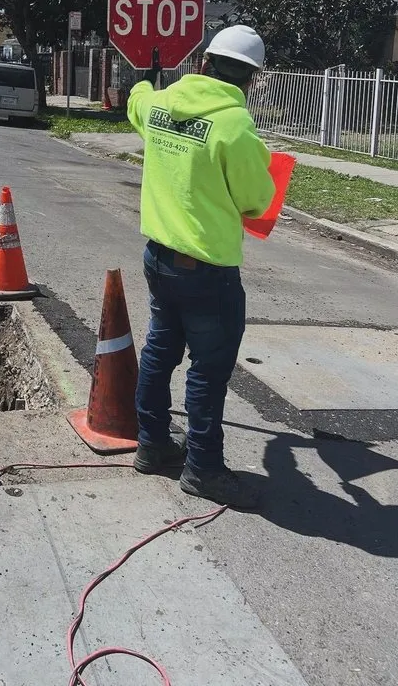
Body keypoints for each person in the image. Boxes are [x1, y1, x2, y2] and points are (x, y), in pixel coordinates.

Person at [127, 26, 275, 509]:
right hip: (208, 272)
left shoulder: (161, 104)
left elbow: (137, 100)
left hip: (159, 259)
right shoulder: (234, 127)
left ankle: (152, 445)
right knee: (208, 372)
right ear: (250, 80)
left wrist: (147, 81)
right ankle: (204, 469)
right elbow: (255, 202)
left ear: (205, 63)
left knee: (160, 350)